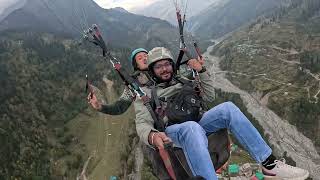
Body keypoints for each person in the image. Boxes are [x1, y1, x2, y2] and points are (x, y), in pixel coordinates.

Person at [133, 47, 309, 180]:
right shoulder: (145, 95)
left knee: (228, 109)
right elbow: (142, 123)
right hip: (173, 132)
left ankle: (269, 164)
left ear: (172, 65)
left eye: (167, 64)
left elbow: (209, 96)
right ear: (151, 70)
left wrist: (201, 72)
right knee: (192, 128)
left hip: (196, 121)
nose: (164, 69)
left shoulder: (182, 80)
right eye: (158, 67)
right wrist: (151, 136)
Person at [88, 48, 150, 114]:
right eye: (140, 58)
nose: (144, 58)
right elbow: (119, 107)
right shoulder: (134, 84)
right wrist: (99, 106)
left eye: (146, 56)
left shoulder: (161, 71)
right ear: (136, 65)